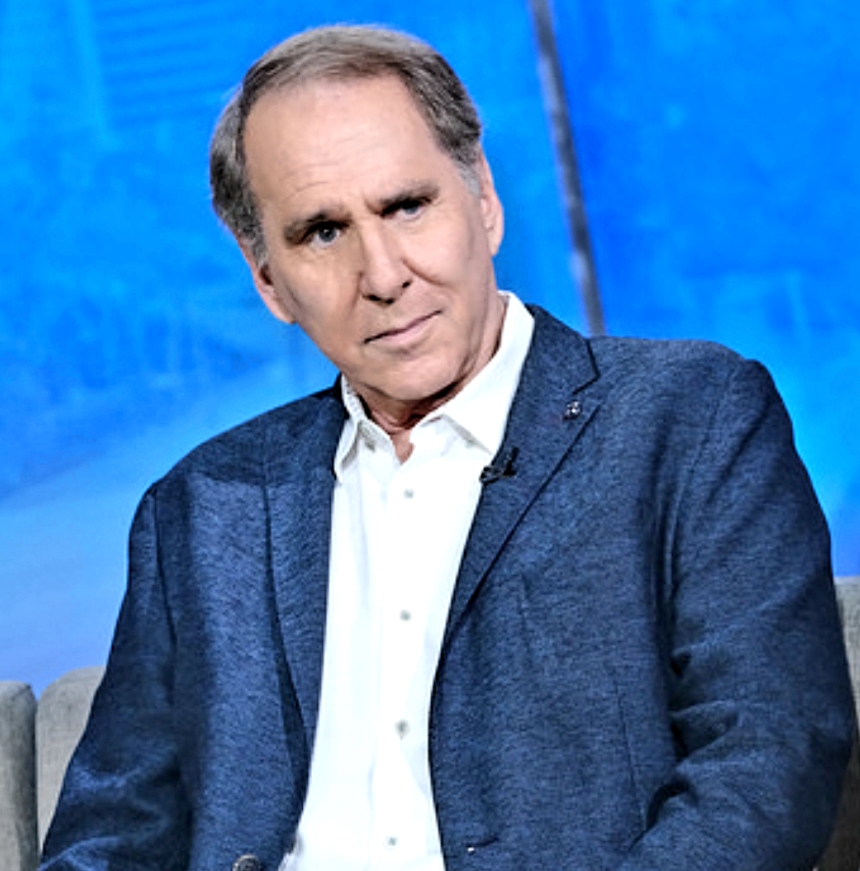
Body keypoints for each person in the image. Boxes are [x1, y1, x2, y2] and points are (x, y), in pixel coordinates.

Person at [40, 24, 854, 871]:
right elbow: (112, 836)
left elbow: (766, 761)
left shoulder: (689, 419)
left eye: (406, 205)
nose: (383, 273)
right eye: (323, 232)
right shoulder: (202, 509)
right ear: (267, 279)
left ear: (485, 198)